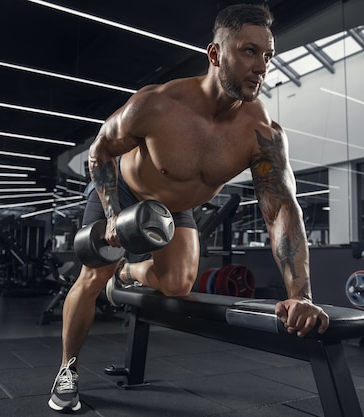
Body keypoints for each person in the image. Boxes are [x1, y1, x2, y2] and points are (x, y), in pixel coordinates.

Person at [48, 4, 330, 413]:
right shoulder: (157, 104)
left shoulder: (262, 134)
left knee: (178, 284)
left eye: (268, 55)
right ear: (215, 54)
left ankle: (128, 273)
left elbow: (283, 211)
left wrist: (300, 295)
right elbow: (100, 151)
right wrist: (111, 215)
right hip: (124, 192)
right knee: (92, 276)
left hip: (174, 210)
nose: (262, 66)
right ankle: (67, 369)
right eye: (249, 51)